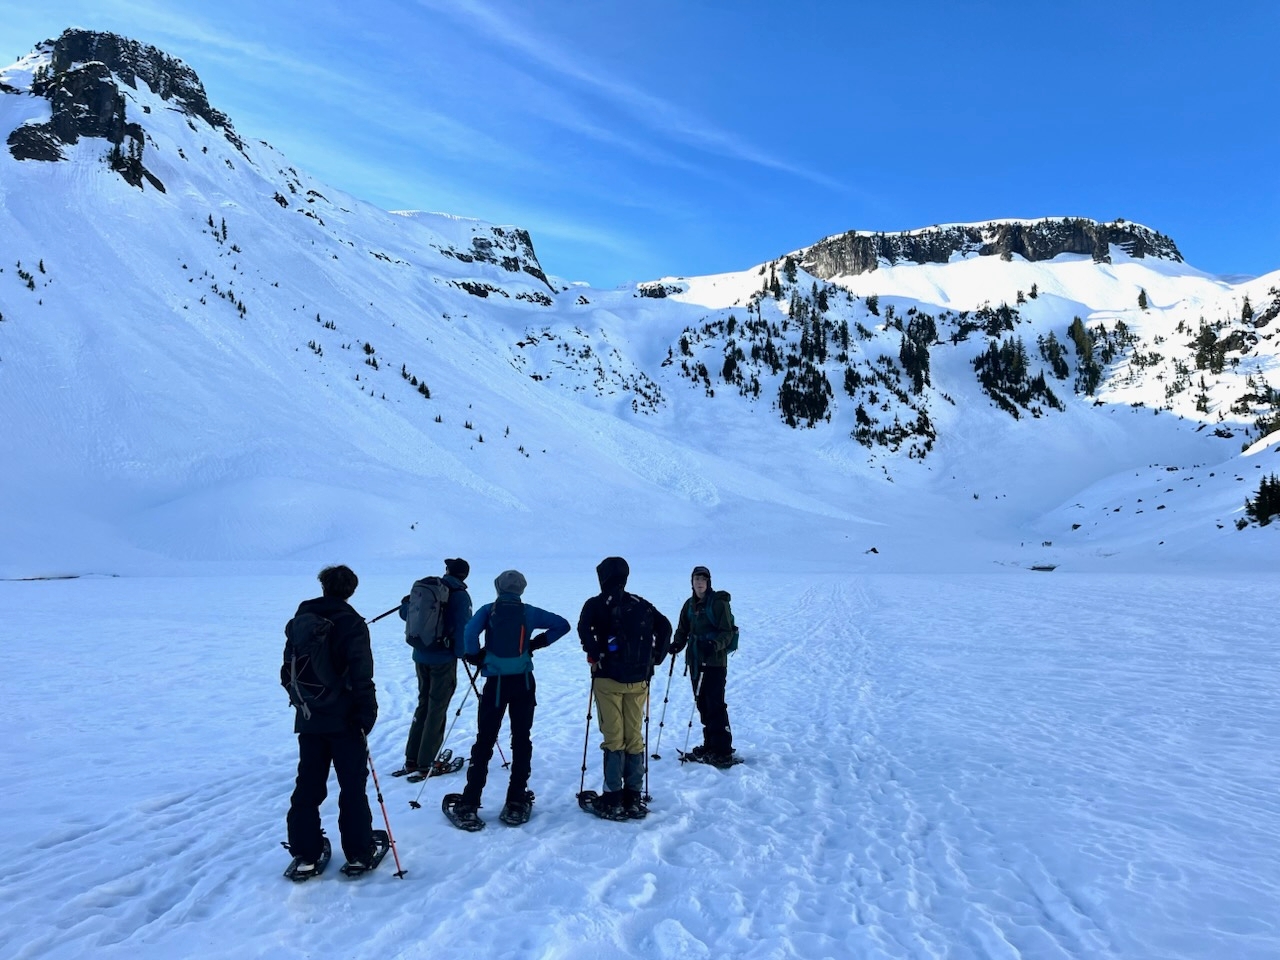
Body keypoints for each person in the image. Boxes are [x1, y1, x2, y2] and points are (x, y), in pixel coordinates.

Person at [453, 570, 569, 826]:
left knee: (485, 741)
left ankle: (470, 803)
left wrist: (475, 655)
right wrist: (536, 644)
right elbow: (562, 625)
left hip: (495, 684)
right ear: (521, 589)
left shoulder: (488, 610)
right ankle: (516, 800)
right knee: (521, 739)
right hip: (523, 682)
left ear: (498, 587)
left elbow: (469, 633)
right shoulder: (529, 612)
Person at [283, 564, 378, 875]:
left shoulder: (302, 620)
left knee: (308, 785)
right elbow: (362, 674)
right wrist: (366, 713)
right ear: (351, 590)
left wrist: (304, 703)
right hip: (345, 719)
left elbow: (287, 670)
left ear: (323, 586)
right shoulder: (352, 623)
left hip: (309, 717)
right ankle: (359, 853)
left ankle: (305, 853)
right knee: (352, 786)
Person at [577, 556, 672, 819]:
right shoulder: (640, 604)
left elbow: (583, 629)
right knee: (634, 736)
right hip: (639, 680)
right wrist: (656, 658)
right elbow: (665, 627)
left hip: (607, 680)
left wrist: (594, 654)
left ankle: (612, 799)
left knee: (614, 737)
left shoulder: (595, 604)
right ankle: (633, 797)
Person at [397, 558, 472, 778]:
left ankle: (412, 758)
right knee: (437, 707)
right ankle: (427, 761)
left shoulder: (429, 589)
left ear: (447, 570)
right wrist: (462, 653)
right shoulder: (459, 595)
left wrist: (407, 602)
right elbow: (463, 627)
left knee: (424, 703)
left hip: (420, 654)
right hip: (442, 659)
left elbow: (405, 613)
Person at [669, 564, 735, 765]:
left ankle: (722, 749)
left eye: (703, 579)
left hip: (715, 662)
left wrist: (714, 644)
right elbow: (683, 629)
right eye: (697, 579)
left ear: (708, 582)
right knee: (702, 703)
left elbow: (728, 631)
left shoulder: (719, 604)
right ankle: (710, 744)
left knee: (715, 703)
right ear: (692, 582)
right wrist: (677, 644)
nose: (700, 582)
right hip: (696, 660)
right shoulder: (689, 605)